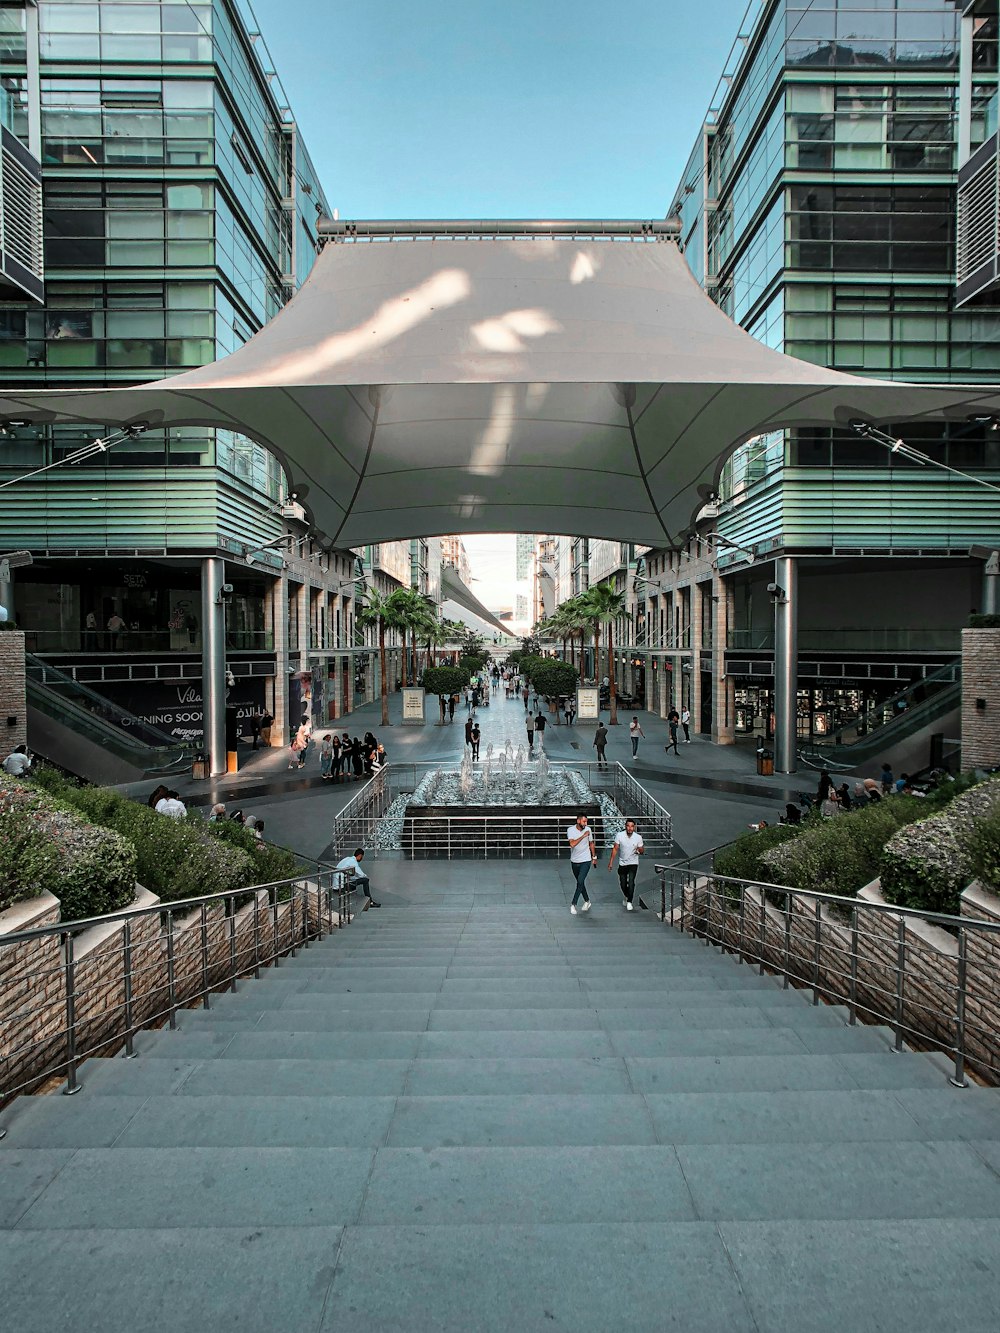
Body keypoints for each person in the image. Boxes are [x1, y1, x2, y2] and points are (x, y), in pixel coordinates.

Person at [608, 817, 644, 910]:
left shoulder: (638, 837)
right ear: (625, 826)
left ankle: (629, 901)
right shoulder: (619, 835)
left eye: (632, 826)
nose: (630, 828)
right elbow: (615, 848)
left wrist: (639, 850)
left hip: (633, 862)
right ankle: (627, 896)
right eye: (628, 826)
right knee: (623, 883)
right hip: (622, 863)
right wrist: (611, 862)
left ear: (634, 827)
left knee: (631, 881)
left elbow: (642, 850)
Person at [566, 813, 596, 914]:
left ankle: (573, 904)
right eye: (584, 821)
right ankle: (587, 901)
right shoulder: (571, 830)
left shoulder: (588, 829)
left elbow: (591, 843)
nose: (585, 823)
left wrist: (594, 856)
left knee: (580, 881)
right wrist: (583, 836)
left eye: (586, 821)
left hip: (586, 860)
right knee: (580, 883)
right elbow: (572, 844)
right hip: (574, 860)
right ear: (578, 821)